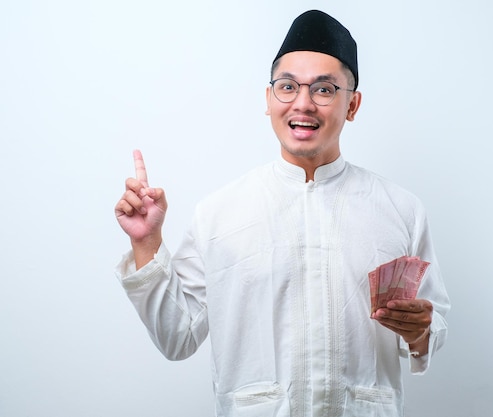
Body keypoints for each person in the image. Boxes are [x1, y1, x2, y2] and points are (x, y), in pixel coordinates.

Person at [114, 9, 450, 417]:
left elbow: (430, 326)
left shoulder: (400, 210)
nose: (303, 104)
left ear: (353, 104)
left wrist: (421, 332)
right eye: (288, 86)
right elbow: (176, 336)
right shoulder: (219, 214)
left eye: (325, 90)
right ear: (269, 98)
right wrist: (147, 244)